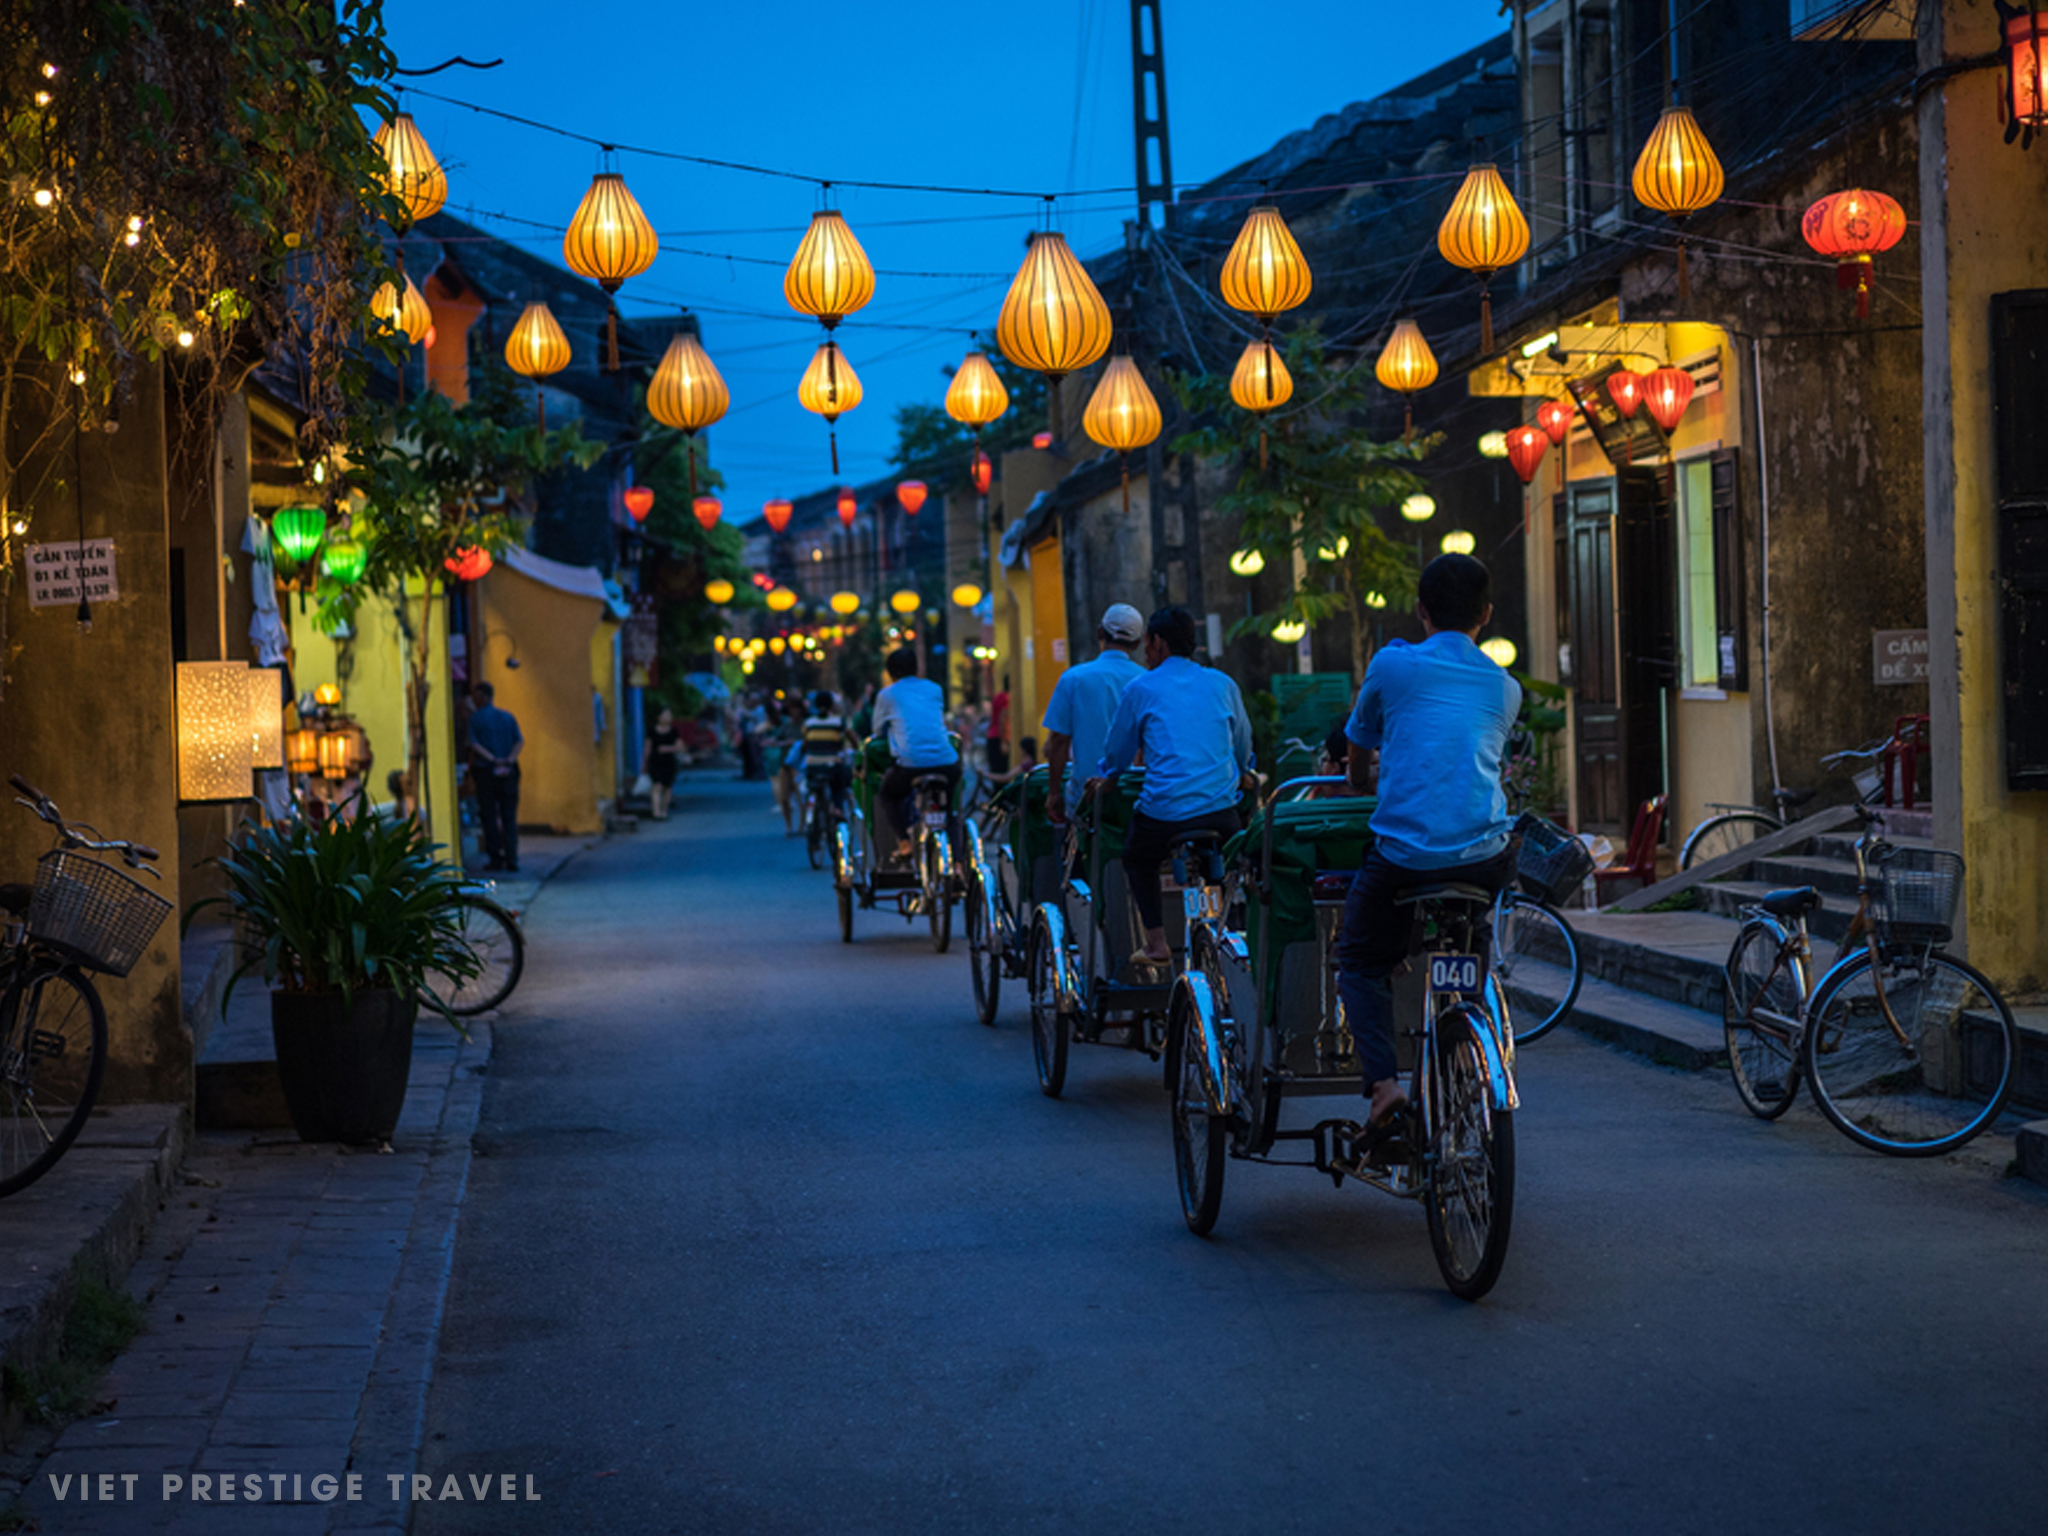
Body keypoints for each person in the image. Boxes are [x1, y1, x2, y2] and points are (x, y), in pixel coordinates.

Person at [1336, 553, 1521, 1149]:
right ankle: (1470, 1019)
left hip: (1405, 858)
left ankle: (1385, 1087)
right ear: (1486, 615)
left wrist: (1360, 778)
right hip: (1483, 856)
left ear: (1420, 610)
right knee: (1473, 922)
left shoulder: (1392, 665)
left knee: (1357, 958)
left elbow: (1359, 746)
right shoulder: (1505, 687)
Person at [1092, 606, 1255, 966]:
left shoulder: (1141, 688)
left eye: (1148, 643)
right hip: (1220, 813)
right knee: (1237, 858)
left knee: (1138, 859)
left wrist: (1109, 774)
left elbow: (1117, 753)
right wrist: (1244, 770)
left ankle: (1156, 943)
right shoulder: (1223, 684)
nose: (1145, 652)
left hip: (1164, 815)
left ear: (1158, 642)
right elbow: (1243, 743)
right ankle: (1233, 928)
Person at [1041, 603, 1147, 827]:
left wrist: (1053, 793)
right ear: (1137, 643)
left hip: (1086, 794)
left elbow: (1058, 741)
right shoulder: (1147, 681)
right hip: (1136, 793)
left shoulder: (1073, 679)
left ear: (1100, 632)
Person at [870, 646, 960, 859]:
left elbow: (877, 731)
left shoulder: (887, 695)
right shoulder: (934, 689)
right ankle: (957, 862)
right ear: (916, 668)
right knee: (949, 811)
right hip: (947, 763)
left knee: (888, 796)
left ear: (890, 672)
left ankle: (904, 842)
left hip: (910, 765)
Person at [468, 682, 524, 873]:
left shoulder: (475, 718)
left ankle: (495, 858)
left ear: (483, 696)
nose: (473, 700)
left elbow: (475, 745)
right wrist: (508, 760)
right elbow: (519, 741)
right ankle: (512, 857)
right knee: (509, 816)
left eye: (476, 696)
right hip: (509, 772)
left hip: (486, 772)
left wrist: (493, 760)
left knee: (489, 815)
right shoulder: (507, 717)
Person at [800, 690, 853, 814]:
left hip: (812, 766)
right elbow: (852, 738)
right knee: (839, 786)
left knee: (811, 785)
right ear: (832, 705)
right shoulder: (839, 722)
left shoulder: (808, 723)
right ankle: (838, 809)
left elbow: (804, 745)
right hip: (832, 766)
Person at [643, 707, 682, 821]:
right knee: (657, 786)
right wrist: (644, 763)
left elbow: (679, 747)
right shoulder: (651, 731)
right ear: (659, 717)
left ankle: (664, 811)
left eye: (669, 715)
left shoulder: (674, 731)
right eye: (665, 715)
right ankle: (656, 812)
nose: (667, 718)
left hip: (669, 762)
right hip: (655, 761)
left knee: (667, 787)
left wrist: (667, 748)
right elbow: (647, 748)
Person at [985, 675, 1012, 777]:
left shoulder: (997, 696)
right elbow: (1003, 718)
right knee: (1002, 771)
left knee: (995, 770)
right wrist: (1003, 742)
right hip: (1000, 737)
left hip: (992, 735)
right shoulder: (1007, 698)